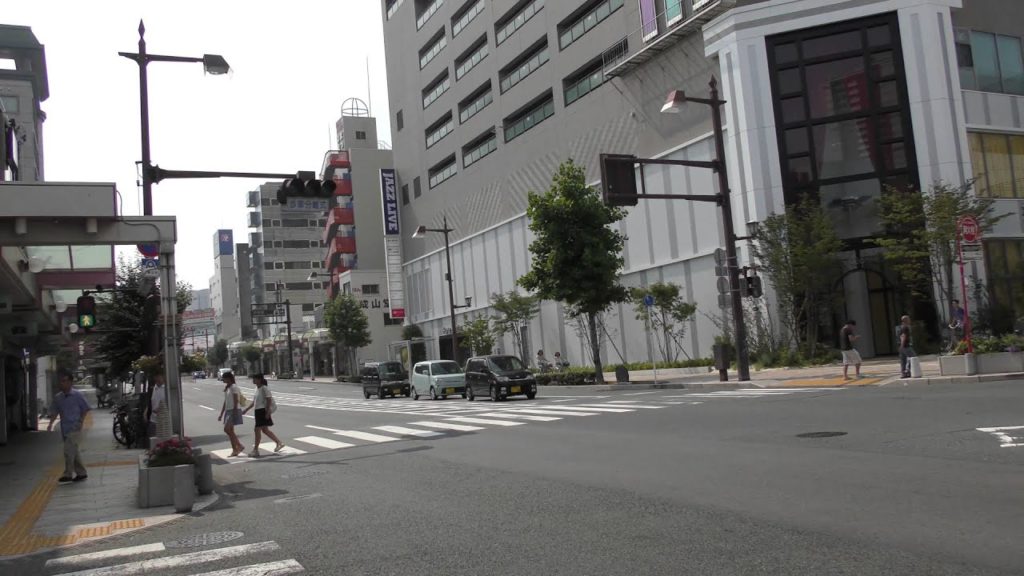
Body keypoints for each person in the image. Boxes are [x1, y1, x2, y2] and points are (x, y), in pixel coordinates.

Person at [46, 371, 91, 484]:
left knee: (68, 451)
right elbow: (55, 411)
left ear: (70, 382)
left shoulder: (77, 395)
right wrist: (50, 424)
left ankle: (68, 474)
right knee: (73, 451)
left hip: (75, 427)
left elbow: (85, 408)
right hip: (64, 428)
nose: (62, 383)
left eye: (65, 381)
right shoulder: (58, 397)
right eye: (61, 381)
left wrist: (80, 421)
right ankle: (81, 473)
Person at [242, 374, 285, 457]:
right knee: (265, 430)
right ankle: (279, 443)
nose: (253, 380)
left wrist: (268, 412)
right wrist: (246, 410)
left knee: (257, 430)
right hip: (258, 411)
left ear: (259, 379)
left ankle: (256, 450)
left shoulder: (264, 388)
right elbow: (254, 402)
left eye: (254, 379)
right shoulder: (256, 389)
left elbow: (269, 399)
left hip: (262, 411)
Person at [216, 372, 245, 457]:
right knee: (231, 431)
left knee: (227, 429)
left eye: (224, 378)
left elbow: (236, 399)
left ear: (229, 378)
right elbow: (226, 402)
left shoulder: (233, 387)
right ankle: (235, 449)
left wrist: (235, 410)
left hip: (233, 410)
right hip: (228, 410)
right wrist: (221, 414)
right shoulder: (227, 388)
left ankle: (239, 446)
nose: (223, 379)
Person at [147, 373, 172, 440]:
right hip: (153, 419)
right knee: (153, 441)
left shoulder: (166, 389)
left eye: (159, 376)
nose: (157, 378)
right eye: (156, 376)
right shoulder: (153, 388)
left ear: (163, 377)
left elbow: (170, 403)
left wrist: (160, 409)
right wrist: (146, 411)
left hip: (163, 421)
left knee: (162, 441)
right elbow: (151, 402)